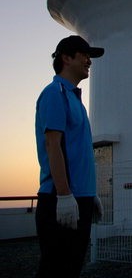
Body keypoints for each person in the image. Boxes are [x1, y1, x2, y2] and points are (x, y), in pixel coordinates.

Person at [35, 35, 105, 278]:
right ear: (66, 58)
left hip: (80, 198)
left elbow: (79, 152)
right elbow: (53, 145)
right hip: (60, 198)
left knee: (71, 269)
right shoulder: (55, 93)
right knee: (56, 271)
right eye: (84, 55)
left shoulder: (76, 100)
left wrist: (90, 191)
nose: (89, 61)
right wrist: (64, 195)